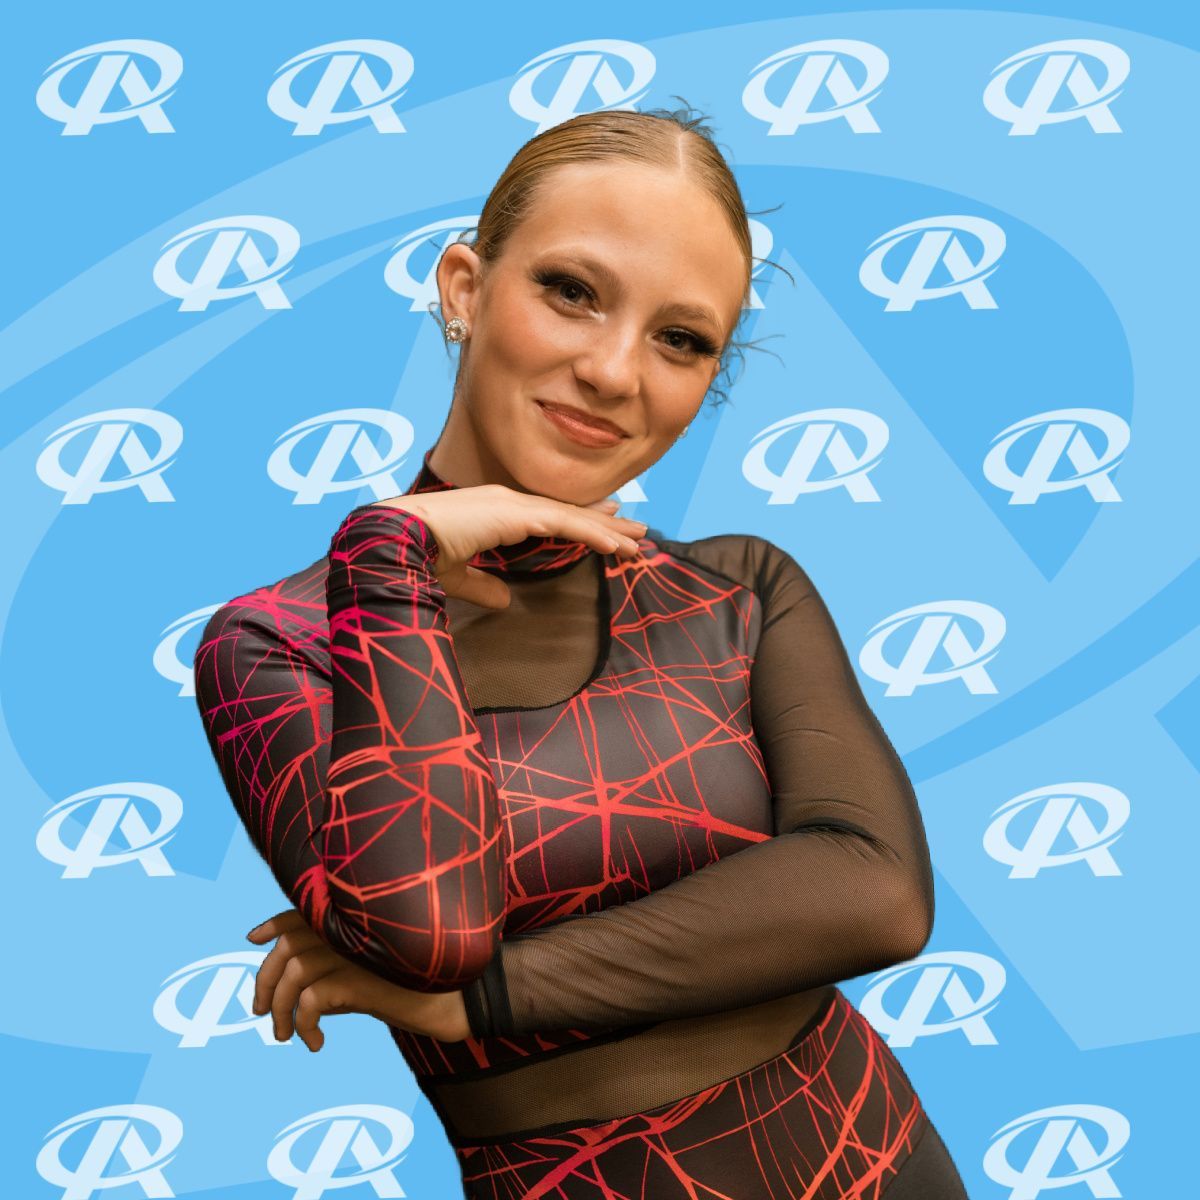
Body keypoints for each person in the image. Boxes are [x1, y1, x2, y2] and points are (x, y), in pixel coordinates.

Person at [193, 105, 970, 1198]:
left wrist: (479, 1009)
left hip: (879, 1159)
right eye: (572, 290)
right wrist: (389, 556)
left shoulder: (740, 587)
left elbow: (878, 894)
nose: (614, 371)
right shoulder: (282, 646)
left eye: (681, 339)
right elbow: (428, 931)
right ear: (464, 288)